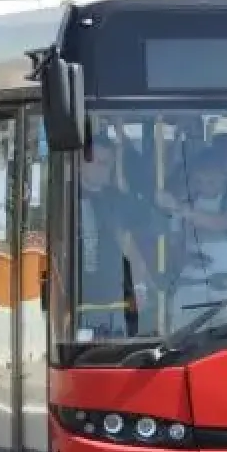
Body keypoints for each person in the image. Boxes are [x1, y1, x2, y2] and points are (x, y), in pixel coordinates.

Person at [159, 144, 227, 327]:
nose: (205, 185)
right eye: (199, 180)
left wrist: (178, 208)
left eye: (211, 180)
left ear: (224, 176)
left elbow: (220, 222)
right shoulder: (186, 203)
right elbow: (174, 245)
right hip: (190, 288)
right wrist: (186, 258)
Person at [76, 136, 154, 340]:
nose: (101, 169)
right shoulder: (65, 196)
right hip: (76, 297)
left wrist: (139, 286)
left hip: (114, 296)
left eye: (106, 164)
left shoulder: (117, 200)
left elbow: (131, 245)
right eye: (95, 162)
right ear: (81, 162)